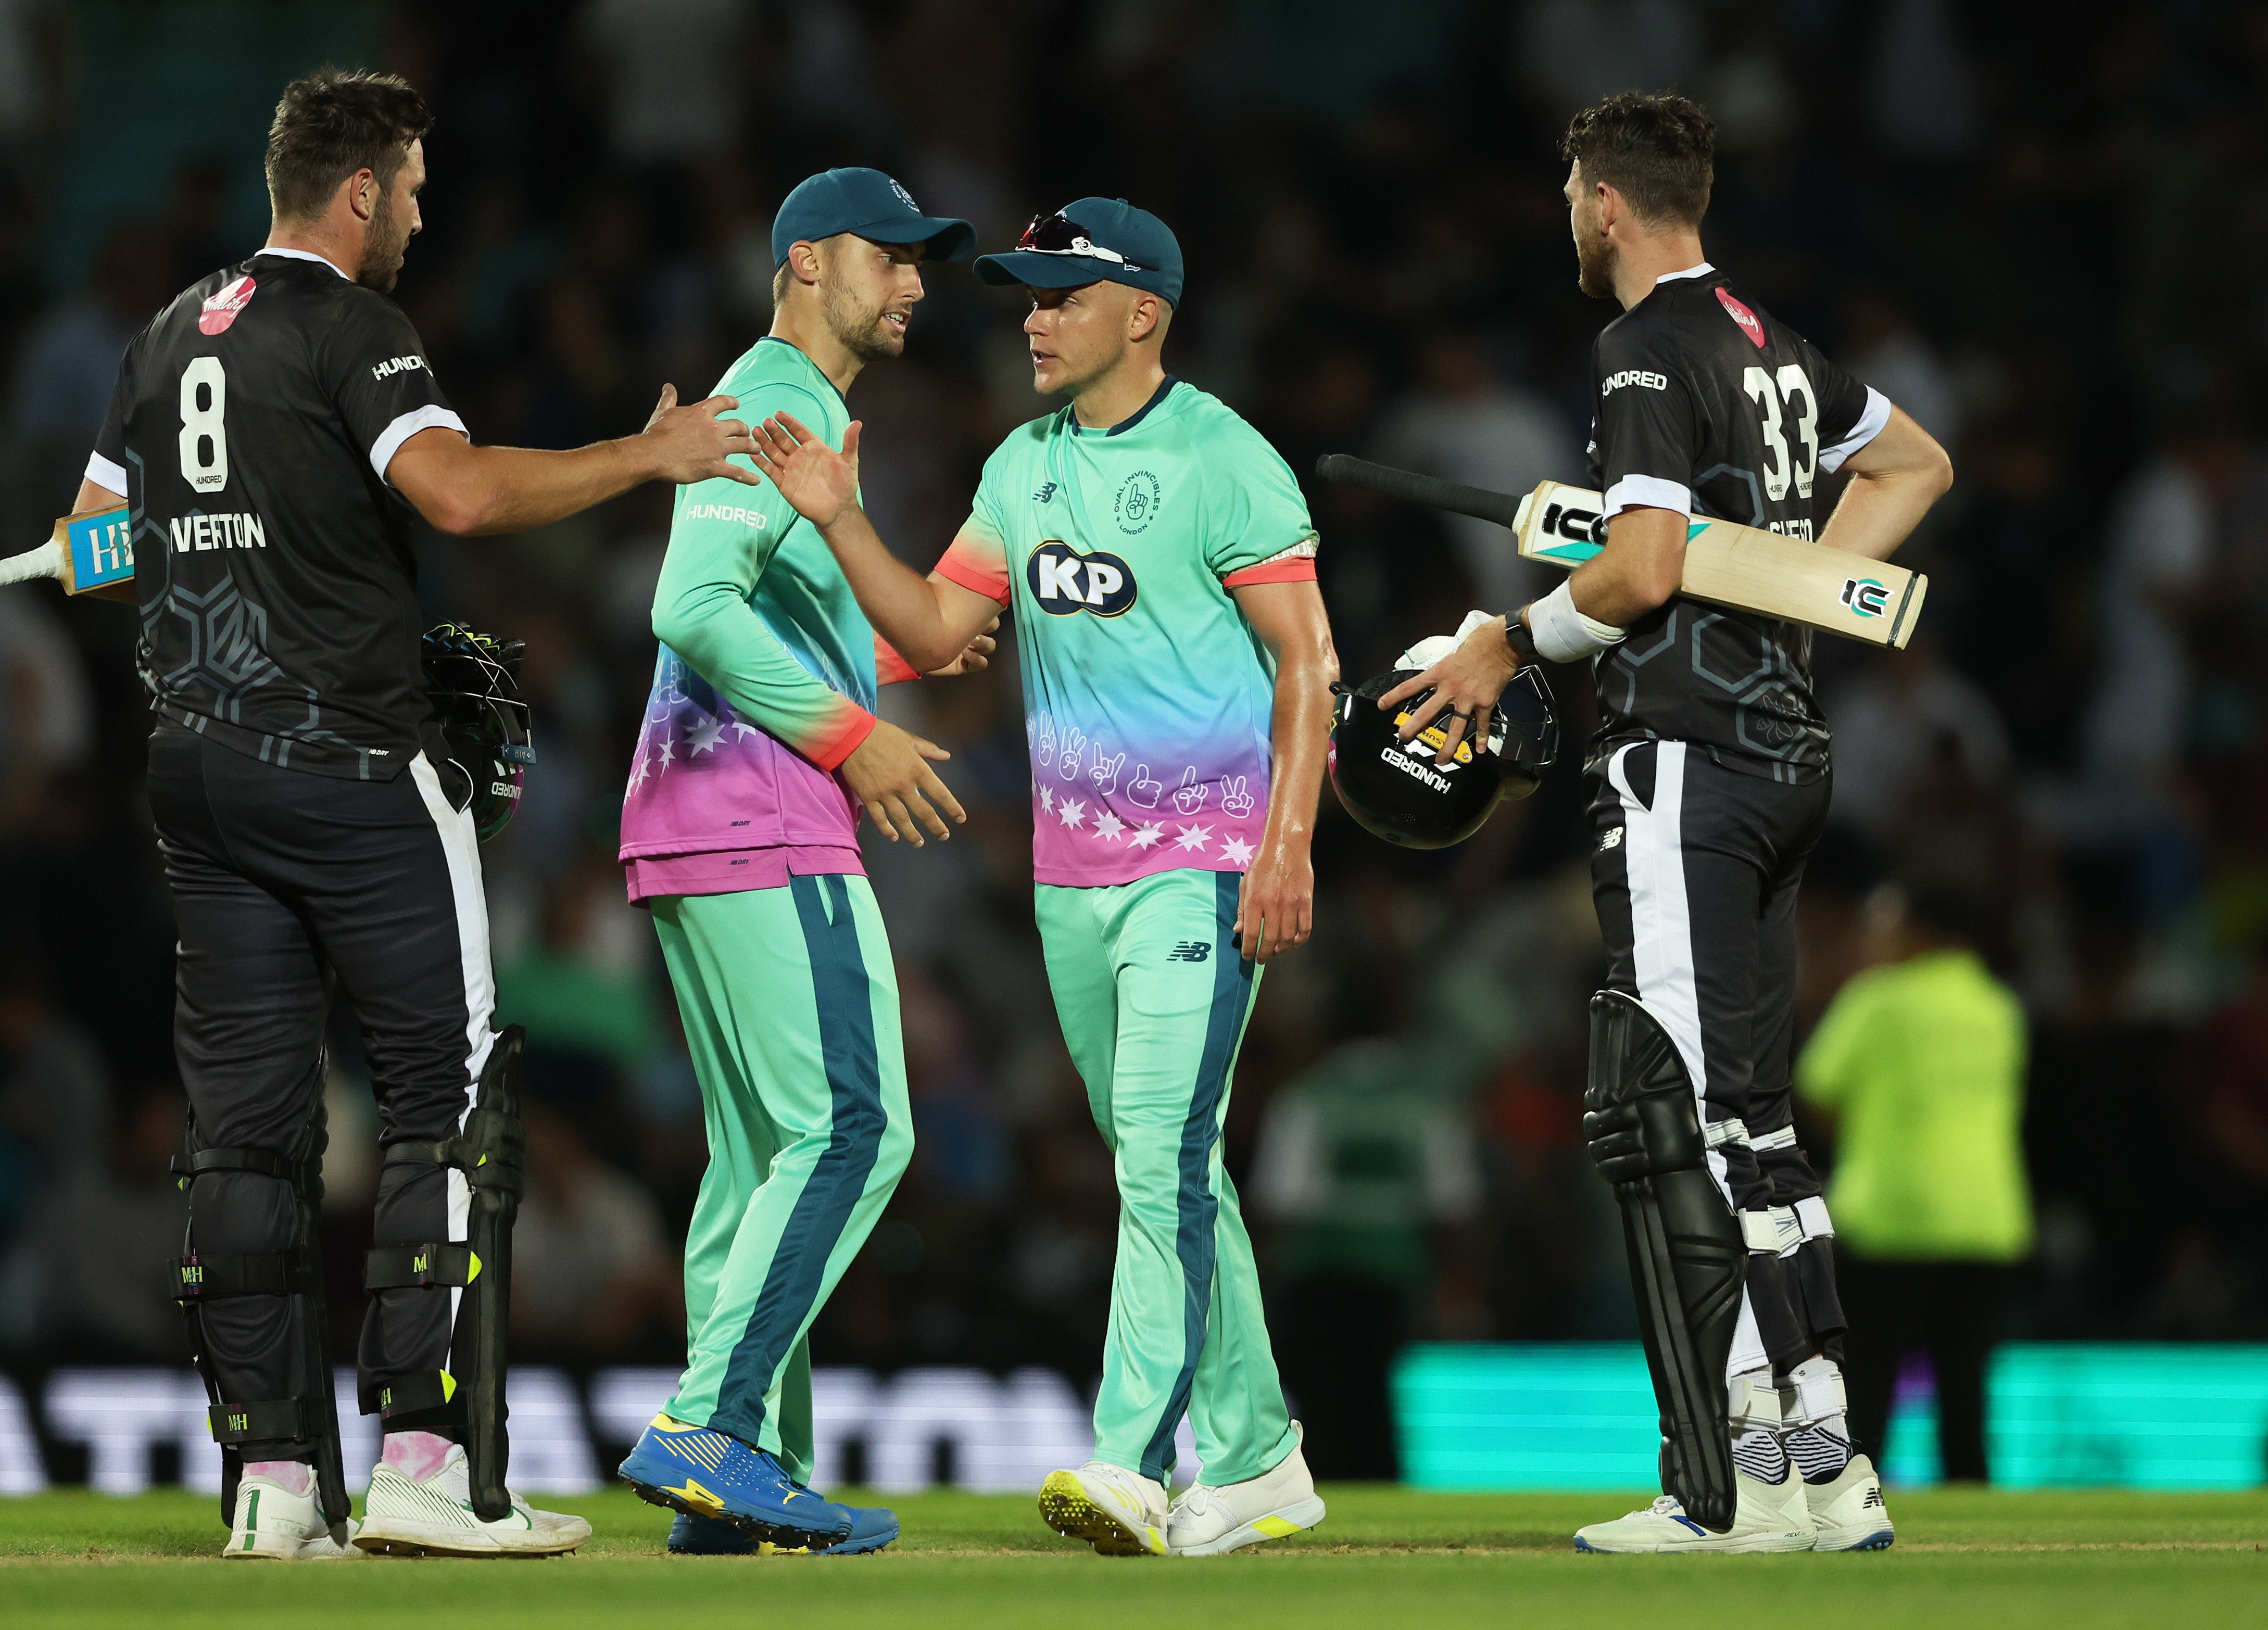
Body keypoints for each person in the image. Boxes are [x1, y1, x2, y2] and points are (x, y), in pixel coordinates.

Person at [77, 67, 755, 1560]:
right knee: (446, 1100)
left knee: (247, 1136)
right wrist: (653, 454)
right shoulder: (352, 327)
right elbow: (452, 495)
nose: (425, 215)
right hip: (348, 768)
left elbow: (88, 543)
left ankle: (270, 1484)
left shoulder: (159, 336)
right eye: (418, 189)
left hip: (195, 776)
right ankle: (427, 1462)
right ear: (362, 189)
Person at [1390, 92, 1953, 1553]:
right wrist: (1788, 587)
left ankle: (1731, 1489)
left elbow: (1638, 571)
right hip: (1785, 755)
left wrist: (1499, 645)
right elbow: (1913, 469)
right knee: (1757, 1122)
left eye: (1568, 192)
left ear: (1603, 205)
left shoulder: (1643, 348)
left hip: (1688, 765)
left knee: (1680, 1123)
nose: (1565, 215)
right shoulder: (1769, 344)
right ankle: (1824, 1471)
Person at [748, 198, 1339, 1557]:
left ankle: (1132, 1459)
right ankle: (1260, 1456)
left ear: (1145, 312)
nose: (1032, 314)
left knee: (1156, 1156)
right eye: (1027, 293)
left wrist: (1285, 842)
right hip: (1070, 880)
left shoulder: (1223, 458)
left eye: (1062, 293)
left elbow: (1308, 660)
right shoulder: (1019, 467)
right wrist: (840, 521)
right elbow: (937, 630)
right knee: (1167, 1162)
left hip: (1199, 868)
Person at [610, 168, 986, 1558]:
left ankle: (738, 1472)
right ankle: (711, 1427)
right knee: (854, 1126)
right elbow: (688, 605)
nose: (915, 288)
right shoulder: (785, 397)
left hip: (692, 817)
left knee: (759, 1156)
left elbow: (748, 604)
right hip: (763, 818)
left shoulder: (784, 403)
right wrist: (857, 735)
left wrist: (879, 655)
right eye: (891, 261)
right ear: (810, 258)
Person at [1798, 881, 2031, 1483]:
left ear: (1920, 932)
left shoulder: (1878, 1000)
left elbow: (1819, 1087)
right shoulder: (1998, 1006)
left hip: (1888, 1216)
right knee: (1965, 1390)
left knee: (1870, 1383)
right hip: (1985, 1217)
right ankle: (1977, 1527)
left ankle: (1854, 1500)